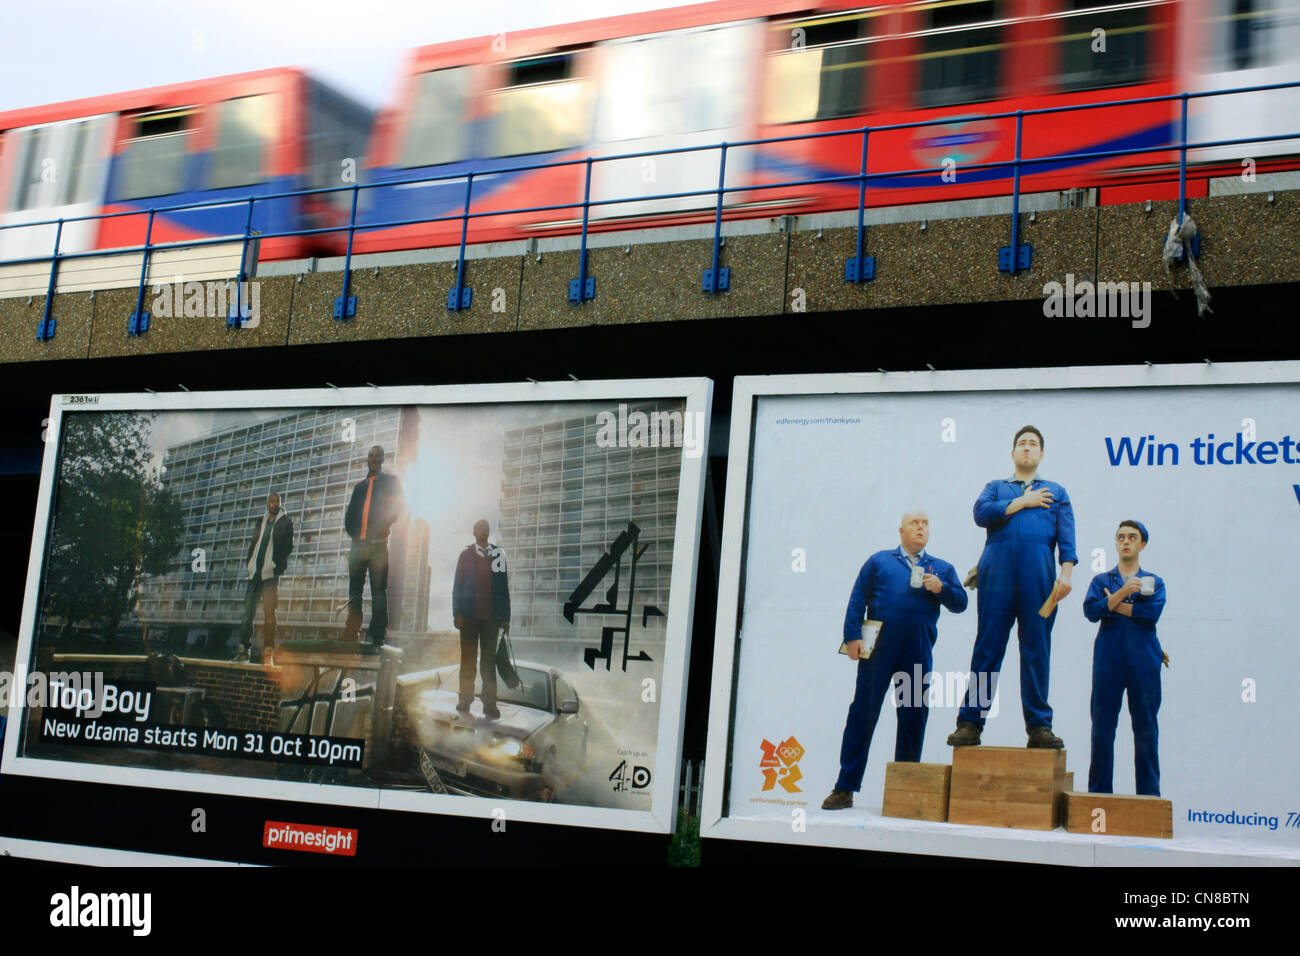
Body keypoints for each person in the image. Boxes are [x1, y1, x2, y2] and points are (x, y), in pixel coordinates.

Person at [822, 511, 967, 811]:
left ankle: (906, 788)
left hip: (917, 651)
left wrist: (942, 588)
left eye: (926, 523)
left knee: (913, 715)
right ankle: (845, 787)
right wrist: (852, 636)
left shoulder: (940, 568)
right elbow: (857, 598)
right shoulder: (880, 562)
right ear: (901, 530)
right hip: (879, 651)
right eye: (914, 523)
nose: (920, 527)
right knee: (863, 713)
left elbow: (961, 603)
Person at [949, 425, 1077, 749]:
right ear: (1013, 452)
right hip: (998, 575)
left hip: (1039, 576)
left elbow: (1067, 538)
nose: (1027, 448)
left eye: (1034, 444)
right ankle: (970, 723)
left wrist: (1066, 573)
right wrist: (1023, 501)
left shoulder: (1057, 492)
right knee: (988, 647)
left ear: (1042, 453)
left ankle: (1039, 727)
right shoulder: (996, 487)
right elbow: (980, 513)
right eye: (1022, 443)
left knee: (1036, 650)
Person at [1083, 520, 1166, 796]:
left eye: (1132, 537)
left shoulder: (1154, 582)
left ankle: (1149, 797)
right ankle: (1098, 795)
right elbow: (1091, 611)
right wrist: (1122, 594)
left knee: (1146, 730)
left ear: (1143, 544)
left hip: (1144, 660)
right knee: (1102, 729)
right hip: (1108, 660)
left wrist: (1113, 605)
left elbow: (1149, 614)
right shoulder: (1101, 581)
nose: (1126, 541)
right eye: (1121, 537)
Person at [343, 445, 404, 648]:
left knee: (378, 591)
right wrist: (355, 535)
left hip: (378, 545)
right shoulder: (359, 487)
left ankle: (378, 635)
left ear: (383, 459)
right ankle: (351, 631)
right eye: (370, 455)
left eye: (377, 455)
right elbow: (349, 515)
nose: (374, 458)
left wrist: (381, 528)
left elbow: (398, 507)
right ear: (367, 459)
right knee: (354, 591)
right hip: (358, 547)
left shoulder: (391, 482)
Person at [452, 519, 511, 719]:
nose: (483, 529)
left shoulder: (498, 554)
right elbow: (457, 586)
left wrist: (506, 617)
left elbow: (504, 588)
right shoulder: (465, 555)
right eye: (479, 526)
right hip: (468, 617)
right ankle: (465, 699)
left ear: (489, 531)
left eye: (486, 526)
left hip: (491, 618)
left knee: (488, 662)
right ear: (474, 531)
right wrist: (456, 613)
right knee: (467, 660)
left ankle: (489, 704)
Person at [234, 491, 294, 664]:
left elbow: (288, 546)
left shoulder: (285, 522)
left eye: (277, 501)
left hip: (270, 575)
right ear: (268, 503)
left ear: (280, 504)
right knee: (247, 614)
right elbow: (254, 543)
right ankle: (243, 650)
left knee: (269, 615)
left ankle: (268, 653)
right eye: (271, 501)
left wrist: (277, 565)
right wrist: (249, 563)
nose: (274, 504)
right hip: (254, 574)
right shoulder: (260, 521)